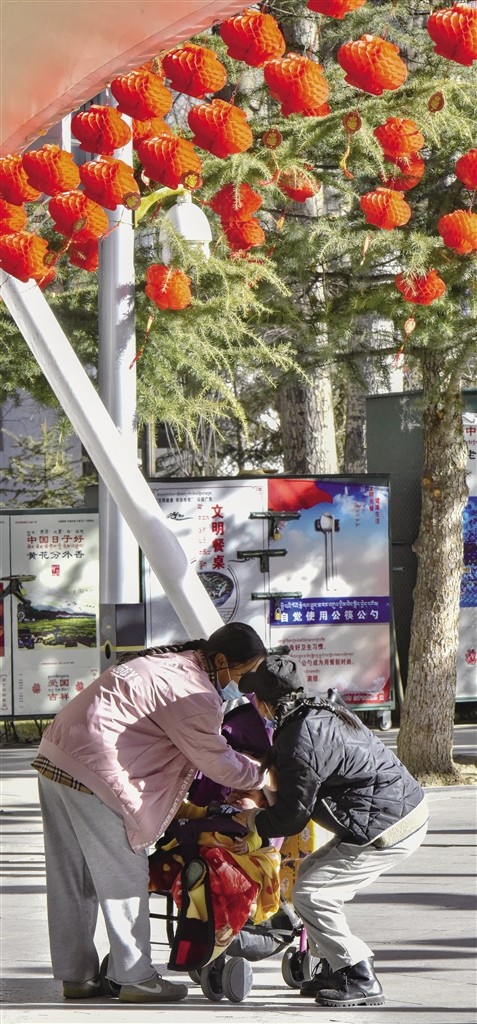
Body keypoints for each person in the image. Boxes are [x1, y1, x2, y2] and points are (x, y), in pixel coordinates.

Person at [31, 622, 266, 1004]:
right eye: (244, 674)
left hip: (56, 757)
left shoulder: (172, 662)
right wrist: (263, 775)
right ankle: (136, 977)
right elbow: (217, 762)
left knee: (72, 876)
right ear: (222, 661)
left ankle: (78, 976)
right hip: (95, 770)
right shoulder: (195, 691)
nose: (244, 685)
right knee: (123, 874)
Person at [234, 654, 429, 1008]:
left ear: (264, 704)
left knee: (313, 894)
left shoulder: (300, 738)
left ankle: (359, 975)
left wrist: (252, 820)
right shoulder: (316, 709)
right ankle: (333, 968)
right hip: (394, 812)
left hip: (388, 826)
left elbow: (292, 817)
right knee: (310, 874)